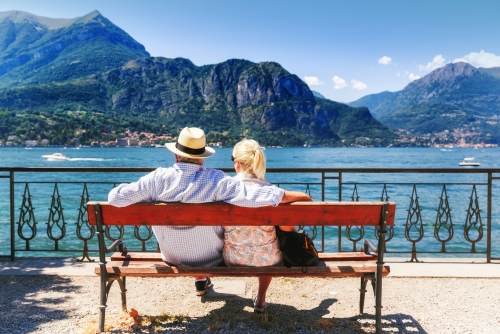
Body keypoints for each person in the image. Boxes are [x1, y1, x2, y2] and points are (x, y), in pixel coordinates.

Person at [108, 127, 311, 296]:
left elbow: (115, 198)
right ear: (203, 158)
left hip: (170, 256)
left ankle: (201, 280)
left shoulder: (156, 179)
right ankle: (203, 276)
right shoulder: (215, 180)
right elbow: (254, 196)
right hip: (210, 259)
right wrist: (297, 195)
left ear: (175, 154)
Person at [223, 139, 308, 313]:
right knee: (268, 245)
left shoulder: (223, 189)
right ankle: (261, 299)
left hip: (231, 259)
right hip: (268, 261)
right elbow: (306, 201)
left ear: (237, 164)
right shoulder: (271, 192)